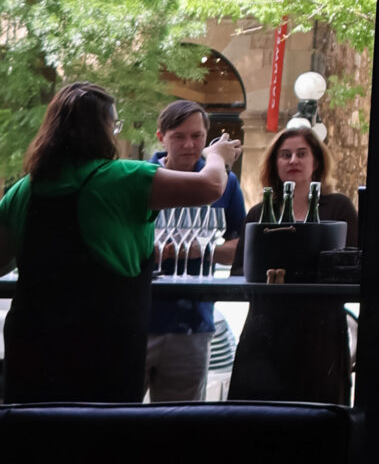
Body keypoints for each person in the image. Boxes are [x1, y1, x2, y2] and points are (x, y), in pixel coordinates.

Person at [0, 81, 239, 403]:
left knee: (35, 432)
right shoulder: (123, 178)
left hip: (31, 349)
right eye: (114, 125)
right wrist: (217, 156)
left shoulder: (23, 189)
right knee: (106, 432)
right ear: (103, 129)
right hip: (100, 352)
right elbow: (210, 186)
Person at [230, 124, 359, 403]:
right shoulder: (259, 212)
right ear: (274, 163)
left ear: (316, 162)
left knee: (318, 414)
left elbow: (351, 269)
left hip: (321, 332)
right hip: (266, 328)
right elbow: (239, 271)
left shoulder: (338, 207)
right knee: (257, 414)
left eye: (302, 153)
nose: (293, 160)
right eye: (285, 155)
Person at [145, 98, 250, 404]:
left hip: (193, 321)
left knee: (181, 417)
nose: (189, 144)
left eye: (197, 136)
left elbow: (240, 247)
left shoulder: (225, 183)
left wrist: (204, 250)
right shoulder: (141, 176)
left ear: (207, 137)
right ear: (161, 137)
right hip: (137, 318)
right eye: (179, 136)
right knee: (118, 414)